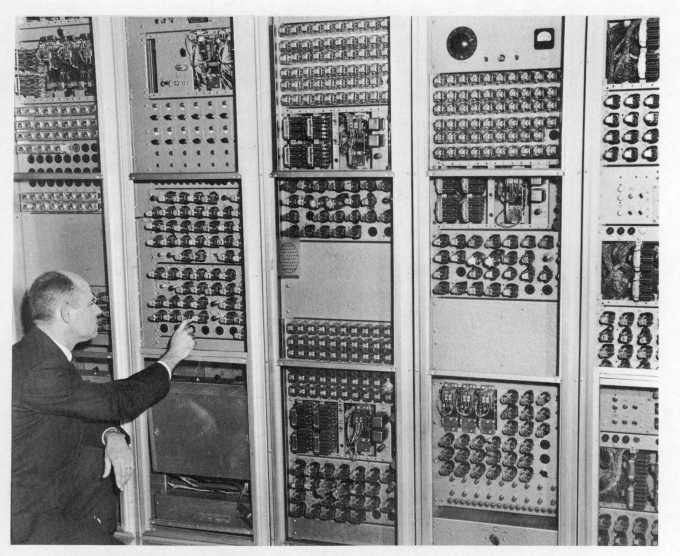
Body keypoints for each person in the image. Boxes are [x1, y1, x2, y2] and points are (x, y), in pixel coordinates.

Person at [12, 270, 196, 544]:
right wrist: (172, 357)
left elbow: (75, 410)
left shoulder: (36, 351)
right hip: (25, 519)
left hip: (40, 495)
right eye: (91, 303)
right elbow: (115, 401)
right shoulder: (42, 368)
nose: (99, 310)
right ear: (67, 314)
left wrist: (111, 434)